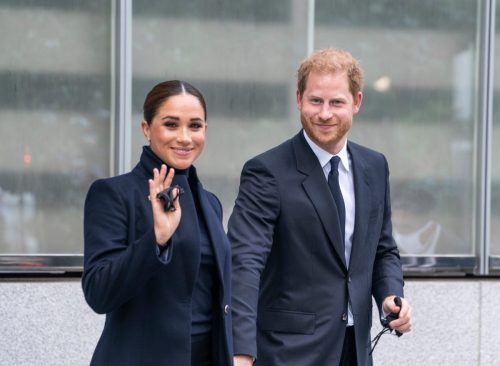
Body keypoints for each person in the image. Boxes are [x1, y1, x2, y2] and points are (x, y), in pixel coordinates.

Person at [229, 48, 412, 366]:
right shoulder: (266, 171)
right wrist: (241, 351)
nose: (324, 113)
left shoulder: (374, 166)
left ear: (356, 102)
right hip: (287, 353)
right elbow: (244, 265)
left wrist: (389, 297)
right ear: (299, 99)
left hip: (354, 352)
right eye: (315, 101)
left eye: (337, 102)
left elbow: (382, 250)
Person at [82, 80, 233, 366]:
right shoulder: (114, 194)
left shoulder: (210, 202)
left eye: (195, 126)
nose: (185, 137)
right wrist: (157, 239)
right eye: (171, 124)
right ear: (146, 129)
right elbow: (99, 293)